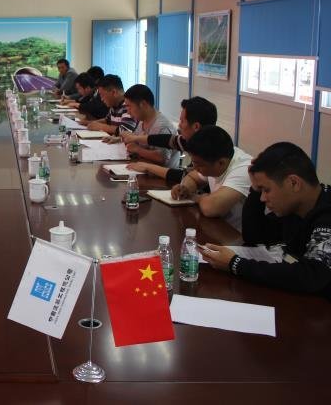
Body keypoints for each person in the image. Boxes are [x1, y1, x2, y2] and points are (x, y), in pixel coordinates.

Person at [200, 142, 331, 299]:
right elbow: (255, 236)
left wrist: (236, 264)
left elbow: (313, 275)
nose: (263, 198)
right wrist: (255, 189)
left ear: (294, 183)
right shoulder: (295, 208)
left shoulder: (326, 213)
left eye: (266, 190)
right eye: (260, 190)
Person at [171, 125, 251, 230]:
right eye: (193, 162)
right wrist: (184, 189)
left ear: (221, 163)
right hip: (219, 228)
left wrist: (196, 197)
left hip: (239, 236)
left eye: (199, 164)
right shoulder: (216, 155)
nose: (194, 168)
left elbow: (211, 208)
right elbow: (192, 178)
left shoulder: (244, 169)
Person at [124, 96, 217, 183]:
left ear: (196, 126)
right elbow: (166, 140)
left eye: (182, 121)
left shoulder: (208, 151)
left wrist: (148, 167)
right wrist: (136, 138)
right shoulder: (191, 140)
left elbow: (184, 176)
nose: (179, 125)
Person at [112, 84, 178, 168]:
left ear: (143, 104)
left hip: (157, 175)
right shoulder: (141, 121)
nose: (128, 112)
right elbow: (135, 140)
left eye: (129, 106)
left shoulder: (162, 126)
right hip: (142, 168)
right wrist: (120, 139)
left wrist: (137, 149)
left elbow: (162, 158)